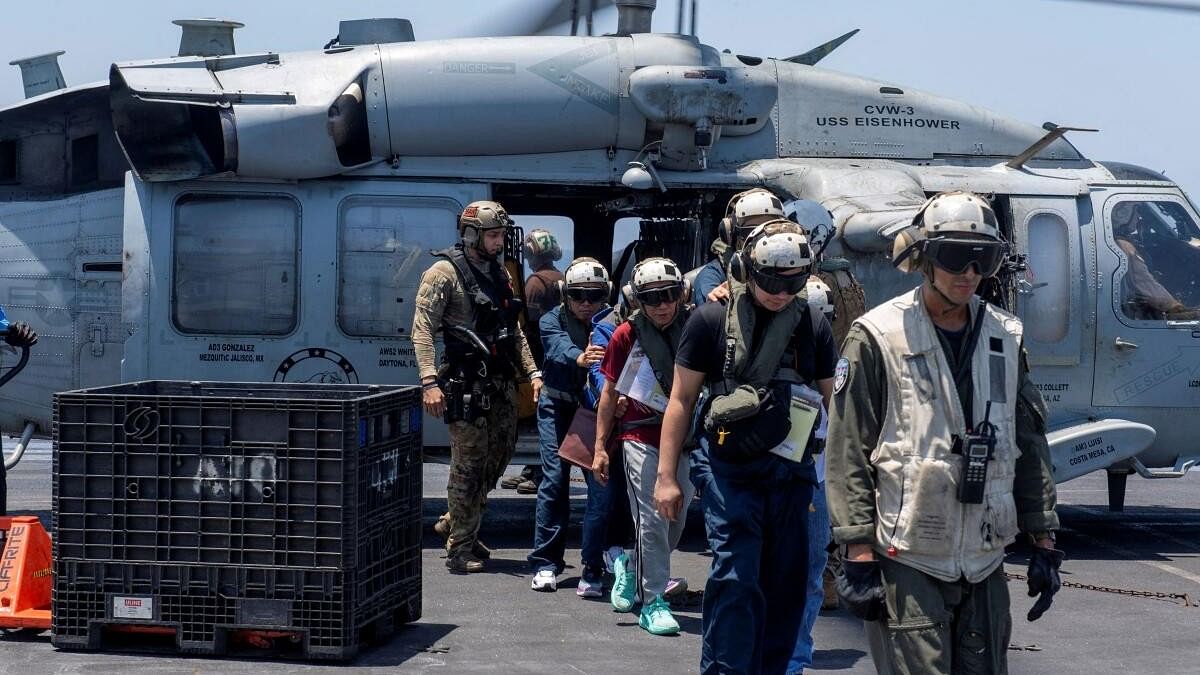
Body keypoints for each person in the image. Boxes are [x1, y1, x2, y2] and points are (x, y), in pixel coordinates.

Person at [826, 191, 1062, 675]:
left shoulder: (1004, 335)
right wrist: (857, 548)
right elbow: (849, 447)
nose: (970, 272)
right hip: (909, 551)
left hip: (984, 553)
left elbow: (1029, 440)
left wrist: (1043, 537)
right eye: (956, 256)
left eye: (983, 259)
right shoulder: (878, 336)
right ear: (925, 257)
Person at [655, 220, 837, 674]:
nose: (780, 291)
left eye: (792, 282)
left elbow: (833, 404)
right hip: (728, 467)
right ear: (746, 269)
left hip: (791, 475)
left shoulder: (813, 324)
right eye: (770, 280)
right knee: (736, 578)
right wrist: (665, 478)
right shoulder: (711, 320)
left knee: (786, 583)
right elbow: (680, 401)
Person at [412, 200, 543, 574]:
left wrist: (532, 373)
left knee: (497, 459)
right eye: (494, 235)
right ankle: (459, 549)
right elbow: (422, 331)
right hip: (464, 383)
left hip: (499, 382)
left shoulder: (498, 272)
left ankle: (456, 522)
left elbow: (514, 330)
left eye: (502, 234)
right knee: (468, 466)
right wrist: (428, 381)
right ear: (471, 234)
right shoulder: (443, 273)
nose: (500, 241)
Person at [592, 257, 693, 636]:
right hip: (639, 435)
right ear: (639, 301)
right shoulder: (624, 336)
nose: (663, 304)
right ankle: (654, 602)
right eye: (652, 299)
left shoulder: (694, 326)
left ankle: (632, 566)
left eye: (669, 295)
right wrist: (600, 447)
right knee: (652, 519)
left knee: (676, 522)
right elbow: (608, 392)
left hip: (682, 439)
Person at [528, 257, 621, 596]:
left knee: (602, 486)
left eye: (594, 296)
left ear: (606, 295)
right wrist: (581, 357)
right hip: (557, 406)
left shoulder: (614, 321)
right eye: (578, 295)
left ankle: (594, 564)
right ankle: (545, 562)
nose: (585, 303)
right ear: (565, 294)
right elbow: (556, 346)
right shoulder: (553, 319)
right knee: (554, 480)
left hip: (594, 410)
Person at [789, 275, 838, 675]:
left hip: (817, 479)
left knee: (811, 568)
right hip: (770, 476)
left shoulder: (842, 369)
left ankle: (798, 652)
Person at [501, 228, 565, 495]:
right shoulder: (561, 277)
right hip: (554, 352)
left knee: (544, 415)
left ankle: (539, 471)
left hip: (539, 353)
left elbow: (526, 323)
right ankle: (532, 469)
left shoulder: (535, 283)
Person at [690, 188, 787, 305]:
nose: (759, 238)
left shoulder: (792, 269)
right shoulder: (712, 276)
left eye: (769, 231)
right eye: (750, 231)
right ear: (731, 234)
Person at [1111, 201, 1200, 320]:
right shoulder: (1125, 246)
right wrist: (1176, 307)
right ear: (1122, 214)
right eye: (1136, 211)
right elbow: (1144, 282)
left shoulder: (1120, 242)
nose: (1138, 217)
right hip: (1140, 314)